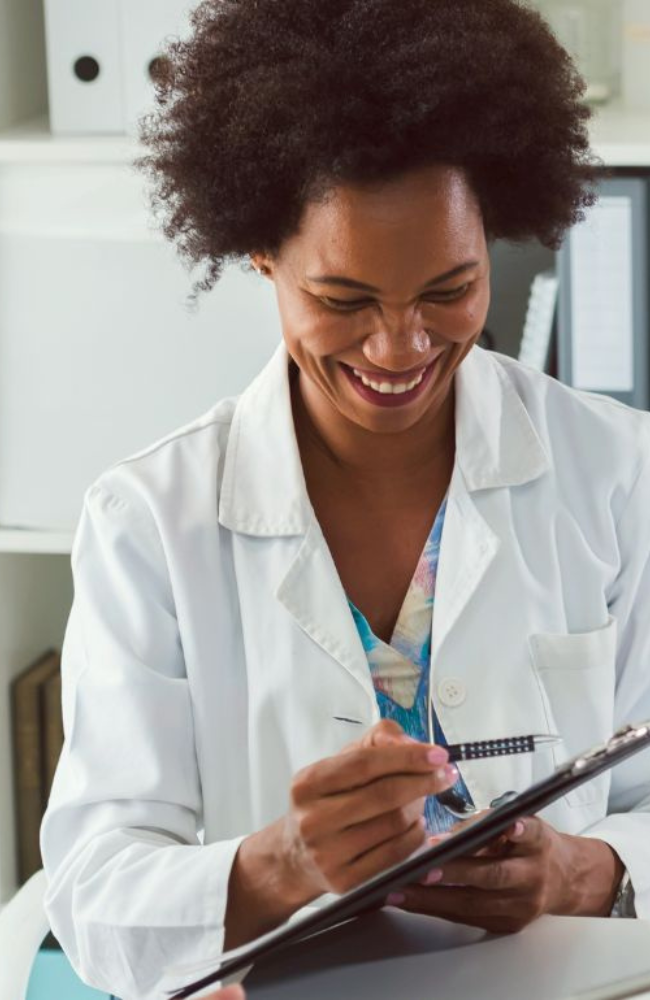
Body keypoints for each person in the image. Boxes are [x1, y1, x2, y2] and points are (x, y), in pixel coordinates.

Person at [40, 1, 650, 997]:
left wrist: (585, 871)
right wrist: (283, 863)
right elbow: (94, 895)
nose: (399, 346)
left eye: (448, 287)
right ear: (260, 253)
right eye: (345, 301)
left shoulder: (618, 473)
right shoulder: (149, 523)